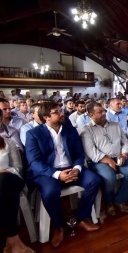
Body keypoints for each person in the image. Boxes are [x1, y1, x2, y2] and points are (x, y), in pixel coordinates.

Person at [25, 102, 101, 247]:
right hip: (48, 172)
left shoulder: (69, 130)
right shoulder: (33, 134)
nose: (62, 113)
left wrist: (77, 168)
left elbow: (79, 153)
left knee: (94, 180)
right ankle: (58, 226)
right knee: (50, 192)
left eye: (61, 110)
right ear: (46, 117)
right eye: (57, 112)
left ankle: (81, 218)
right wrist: (57, 174)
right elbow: (34, 162)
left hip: (71, 167)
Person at [81, 102, 128, 216]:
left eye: (104, 111)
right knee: (109, 177)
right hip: (100, 162)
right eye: (100, 112)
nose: (104, 114)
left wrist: (124, 154)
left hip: (119, 157)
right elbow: (91, 152)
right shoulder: (86, 130)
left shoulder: (115, 125)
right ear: (91, 115)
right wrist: (108, 160)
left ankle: (119, 200)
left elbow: (125, 143)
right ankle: (108, 202)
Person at [0, 134, 35, 253]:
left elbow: (18, 167)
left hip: (12, 179)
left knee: (3, 181)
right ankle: (13, 240)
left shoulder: (8, 142)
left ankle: (12, 239)